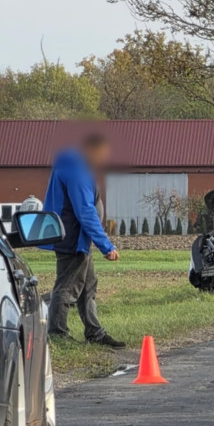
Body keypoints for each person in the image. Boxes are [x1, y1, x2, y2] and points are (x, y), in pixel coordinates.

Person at [43, 134, 125, 348]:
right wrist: (105, 246)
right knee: (67, 287)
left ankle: (94, 333)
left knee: (88, 286)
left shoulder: (75, 166)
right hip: (72, 238)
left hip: (77, 238)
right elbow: (85, 210)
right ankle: (57, 334)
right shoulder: (77, 170)